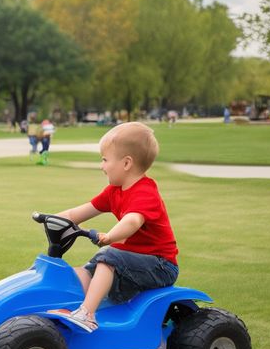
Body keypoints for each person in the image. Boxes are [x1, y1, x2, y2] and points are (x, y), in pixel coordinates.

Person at [46, 122, 178, 332]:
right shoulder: (113, 191)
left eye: (105, 160)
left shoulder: (145, 192)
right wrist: (50, 219)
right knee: (86, 271)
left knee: (108, 256)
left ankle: (87, 315)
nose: (102, 166)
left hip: (160, 265)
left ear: (126, 163)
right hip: (132, 262)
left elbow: (132, 221)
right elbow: (76, 214)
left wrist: (110, 237)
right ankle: (63, 307)